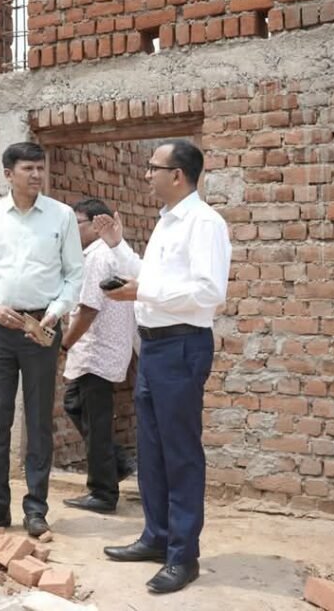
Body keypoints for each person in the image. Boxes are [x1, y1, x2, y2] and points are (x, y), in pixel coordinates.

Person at [95, 139, 232, 594]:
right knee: (152, 448)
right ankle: (156, 537)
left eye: (154, 167)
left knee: (180, 452)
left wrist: (142, 292)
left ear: (177, 175)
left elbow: (209, 292)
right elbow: (151, 279)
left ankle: (183, 556)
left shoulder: (204, 223)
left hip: (182, 346)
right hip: (154, 348)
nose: (147, 174)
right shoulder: (168, 221)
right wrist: (118, 248)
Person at [0, 142, 83, 537]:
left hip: (40, 327)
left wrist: (56, 311)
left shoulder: (62, 216)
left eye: (39, 168)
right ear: (8, 174)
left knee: (38, 419)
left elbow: (74, 274)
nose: (36, 175)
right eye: (28, 168)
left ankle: (36, 509)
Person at [59, 197, 138, 515]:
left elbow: (88, 309)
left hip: (97, 350)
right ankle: (117, 464)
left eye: (75, 223)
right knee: (76, 405)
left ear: (95, 225)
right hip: (106, 349)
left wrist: (64, 344)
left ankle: (103, 493)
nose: (70, 230)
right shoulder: (106, 253)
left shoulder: (97, 257)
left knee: (95, 419)